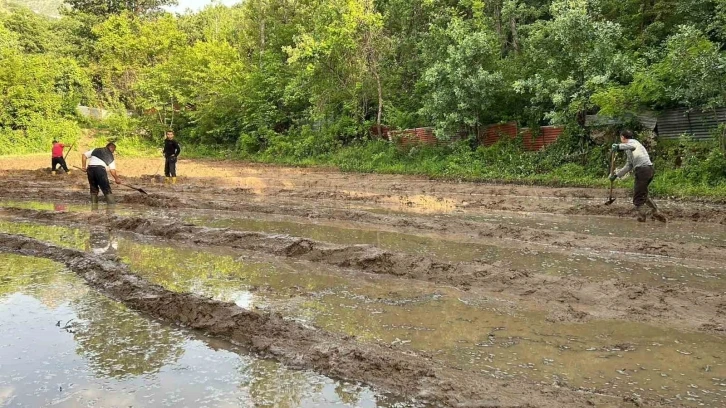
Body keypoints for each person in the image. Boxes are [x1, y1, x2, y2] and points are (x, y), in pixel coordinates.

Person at [610, 130, 667, 223]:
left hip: (643, 170)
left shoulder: (633, 143)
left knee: (637, 196)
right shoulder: (628, 149)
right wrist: (617, 175)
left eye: (621, 138)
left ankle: (642, 216)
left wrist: (618, 146)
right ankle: (655, 211)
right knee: (643, 193)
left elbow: (631, 146)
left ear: (622, 137)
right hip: (647, 170)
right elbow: (629, 165)